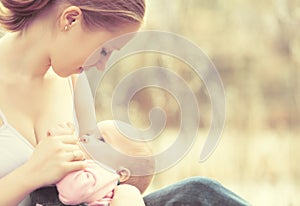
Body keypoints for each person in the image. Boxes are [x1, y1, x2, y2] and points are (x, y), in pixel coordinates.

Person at [0, 0, 250, 205]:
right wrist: (30, 174)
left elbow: (98, 163)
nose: (102, 65)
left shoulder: (74, 80)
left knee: (198, 194)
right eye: (104, 51)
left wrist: (122, 191)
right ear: (70, 20)